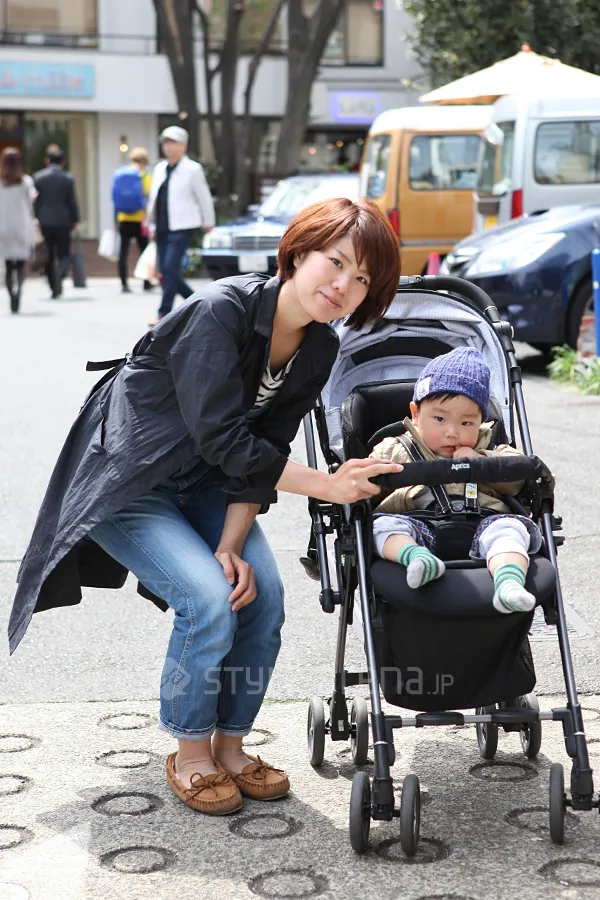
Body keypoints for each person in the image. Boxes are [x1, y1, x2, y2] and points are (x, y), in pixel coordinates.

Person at [9, 198, 402, 816]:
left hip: (210, 483)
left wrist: (230, 542)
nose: (343, 286)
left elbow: (267, 445)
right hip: (131, 479)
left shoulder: (319, 347)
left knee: (261, 594)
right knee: (208, 600)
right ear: (299, 252)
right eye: (335, 262)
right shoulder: (220, 310)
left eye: (362, 280)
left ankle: (230, 746)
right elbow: (225, 439)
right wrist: (327, 485)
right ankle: (190, 751)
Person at [370, 347, 543, 614]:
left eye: (466, 423)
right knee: (380, 526)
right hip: (418, 525)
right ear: (415, 414)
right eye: (439, 419)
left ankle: (509, 582)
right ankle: (417, 559)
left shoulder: (492, 448)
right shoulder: (395, 449)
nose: (452, 432)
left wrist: (482, 461)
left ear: (482, 420)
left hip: (485, 524)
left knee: (510, 530)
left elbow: (519, 477)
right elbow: (366, 486)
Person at [146, 125, 215, 325]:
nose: (167, 146)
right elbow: (155, 199)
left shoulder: (193, 169)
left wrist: (208, 221)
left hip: (182, 225)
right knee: (167, 272)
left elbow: (204, 197)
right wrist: (151, 226)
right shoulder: (159, 169)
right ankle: (198, 303)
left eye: (172, 142)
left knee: (169, 269)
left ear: (183, 145)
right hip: (162, 226)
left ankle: (164, 313)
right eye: (165, 142)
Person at [33, 147, 80, 299]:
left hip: (45, 220)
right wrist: (76, 220)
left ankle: (53, 286)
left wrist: (36, 217)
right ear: (63, 162)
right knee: (64, 252)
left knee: (48, 254)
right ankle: (61, 274)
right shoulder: (67, 179)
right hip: (63, 221)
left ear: (47, 161)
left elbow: (36, 202)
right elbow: (72, 201)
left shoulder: (38, 178)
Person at [112, 147, 153, 294]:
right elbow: (150, 197)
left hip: (123, 218)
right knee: (144, 251)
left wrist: (115, 218)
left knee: (123, 252)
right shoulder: (144, 176)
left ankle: (124, 283)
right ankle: (146, 282)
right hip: (140, 219)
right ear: (144, 161)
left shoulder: (120, 174)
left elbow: (115, 198)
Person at [0, 147, 35, 314]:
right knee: (20, 265)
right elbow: (31, 202)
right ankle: (18, 291)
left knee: (8, 265)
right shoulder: (26, 182)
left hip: (4, 226)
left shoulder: (1, 183)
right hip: (22, 226)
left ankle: (10, 296)